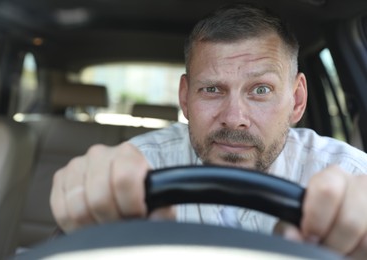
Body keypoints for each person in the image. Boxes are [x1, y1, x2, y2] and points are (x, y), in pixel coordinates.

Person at [50, 3, 367, 258]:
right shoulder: (133, 170)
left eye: (260, 90)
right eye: (212, 90)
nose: (234, 118)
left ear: (297, 101)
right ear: (185, 98)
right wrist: (85, 202)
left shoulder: (349, 174)